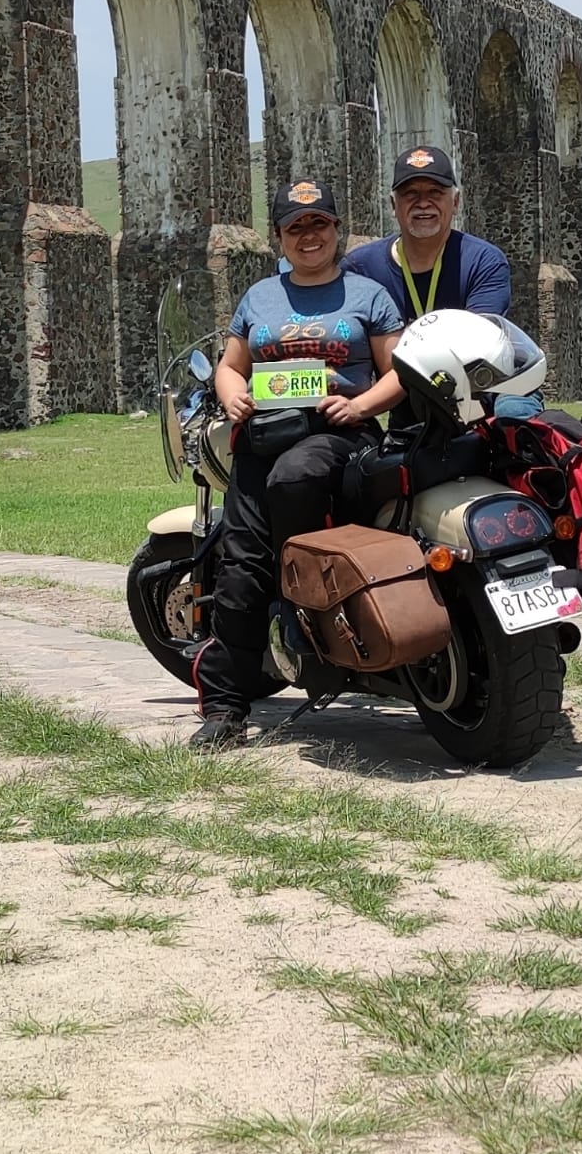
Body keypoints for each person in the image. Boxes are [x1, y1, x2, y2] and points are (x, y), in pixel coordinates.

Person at [191, 178, 405, 748]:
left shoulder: (369, 296)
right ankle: (225, 710)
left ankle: (297, 605)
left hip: (337, 433)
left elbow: (399, 374)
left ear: (336, 230)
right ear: (279, 238)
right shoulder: (259, 297)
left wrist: (358, 403)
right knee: (237, 573)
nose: (308, 237)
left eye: (319, 225)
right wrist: (232, 391)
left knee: (298, 475)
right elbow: (230, 364)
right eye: (295, 228)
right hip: (261, 436)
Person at [342, 145, 542, 419]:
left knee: (514, 411)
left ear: (456, 201)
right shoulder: (359, 266)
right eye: (410, 194)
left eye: (435, 193)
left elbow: (476, 349)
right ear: (392, 205)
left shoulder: (484, 261)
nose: (423, 202)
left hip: (484, 389)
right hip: (406, 396)